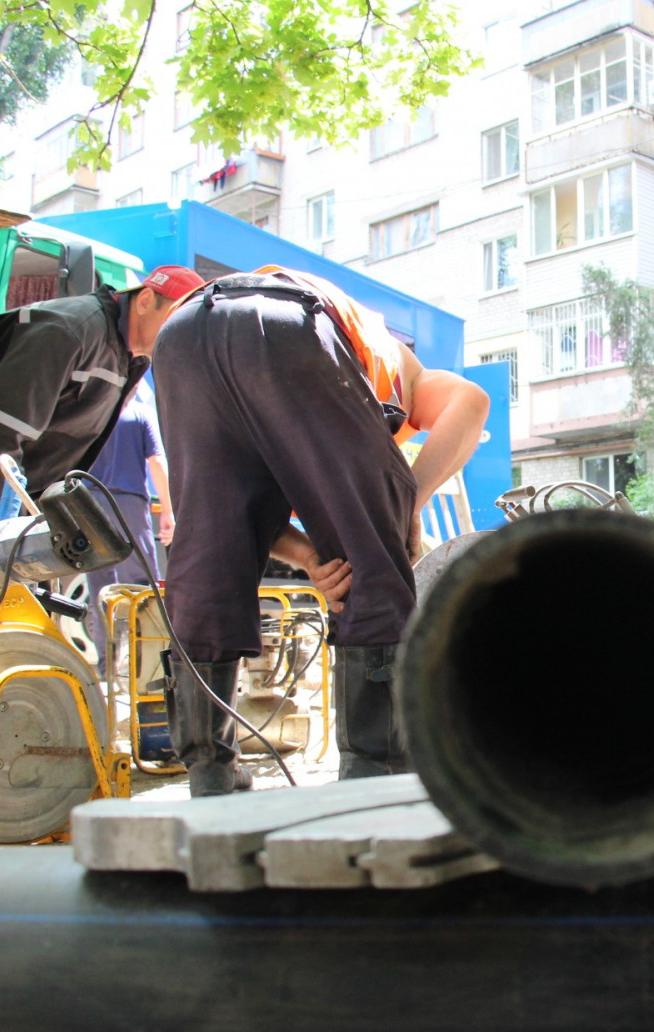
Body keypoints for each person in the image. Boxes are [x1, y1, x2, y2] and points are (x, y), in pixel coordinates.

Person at [152, 266, 489, 795]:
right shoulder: (405, 373)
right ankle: (374, 773)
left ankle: (210, 768)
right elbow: (472, 402)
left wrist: (310, 557)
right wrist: (404, 503)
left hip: (183, 332)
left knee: (208, 551)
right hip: (286, 322)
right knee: (374, 568)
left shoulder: (288, 409)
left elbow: (238, 512)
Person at [0, 265, 205, 527]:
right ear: (146, 300)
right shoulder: (70, 331)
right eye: (175, 321)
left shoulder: (134, 360)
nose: (180, 337)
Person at [81, 380, 174, 657]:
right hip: (129, 503)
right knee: (142, 587)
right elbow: (157, 462)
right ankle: (146, 669)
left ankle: (105, 667)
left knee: (101, 589)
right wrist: (168, 511)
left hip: (90, 504)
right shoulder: (140, 414)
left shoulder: (91, 416)